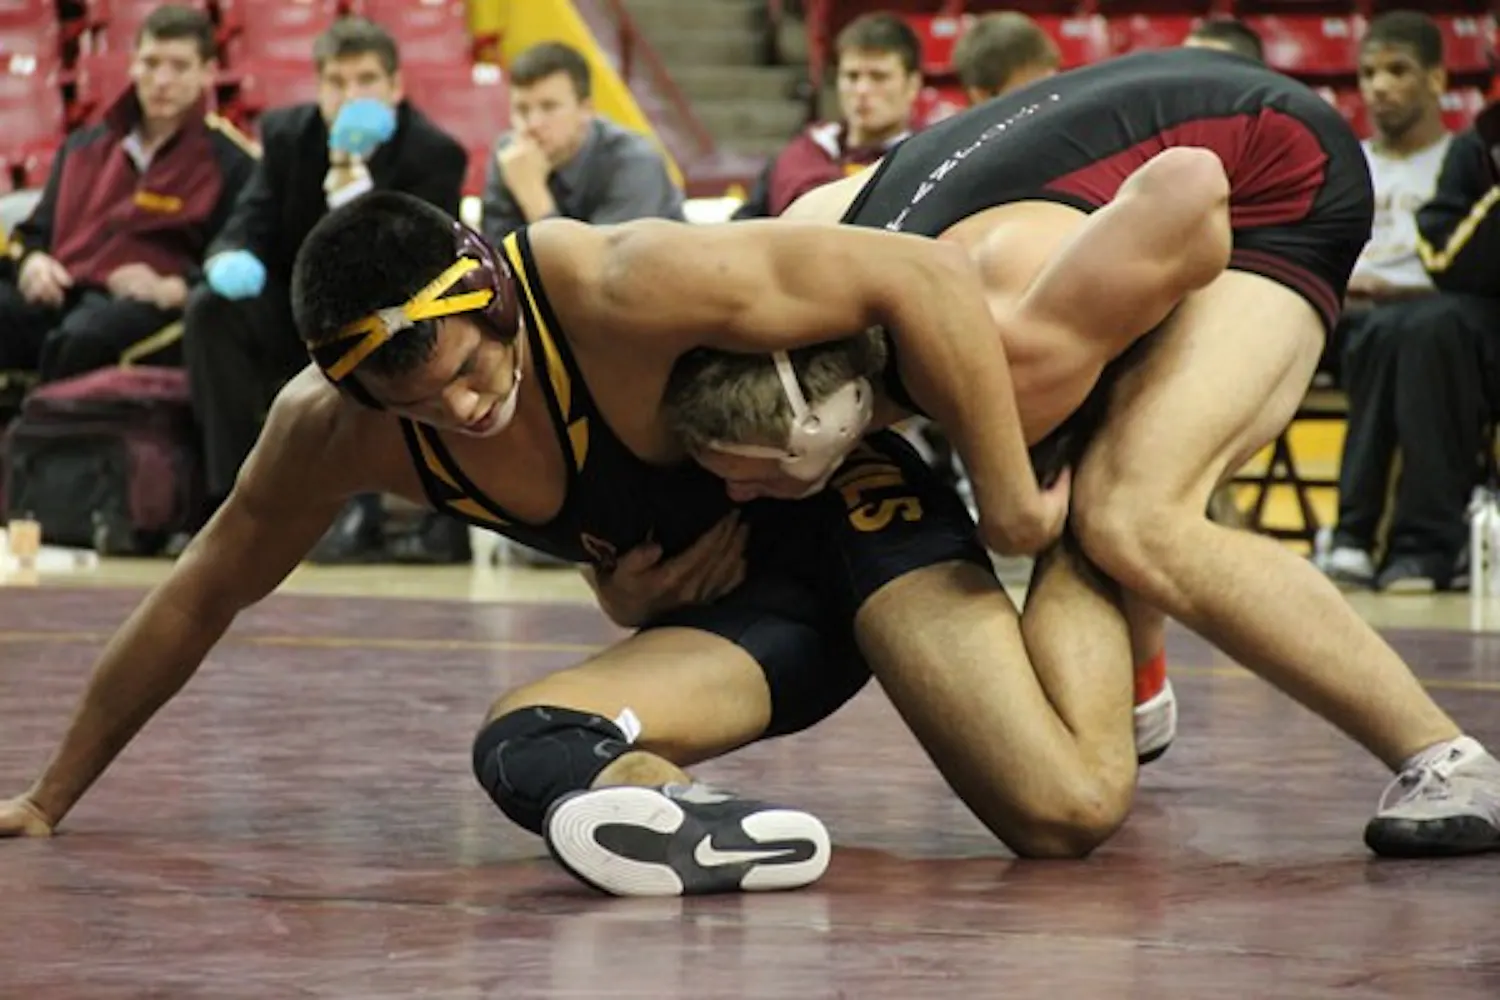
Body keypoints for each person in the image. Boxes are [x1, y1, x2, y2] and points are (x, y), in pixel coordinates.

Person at [0, 188, 1088, 897]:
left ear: (489, 288)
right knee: (525, 742)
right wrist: (53, 792)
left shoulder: (616, 282)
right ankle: (692, 818)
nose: (466, 409)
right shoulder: (333, 433)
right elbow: (200, 593)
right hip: (751, 623)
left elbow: (921, 274)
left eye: (471, 369)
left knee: (1061, 813)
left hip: (853, 516)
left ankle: (1102, 572)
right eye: (421, 408)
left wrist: (1012, 502)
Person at [666, 46, 1500, 858]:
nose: (738, 497)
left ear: (835, 428)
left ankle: (1449, 760)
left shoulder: (1012, 338)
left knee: (1132, 513)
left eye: (755, 480)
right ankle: (1140, 670)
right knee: (1094, 458)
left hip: (1272, 176)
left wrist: (1018, 497)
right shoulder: (812, 239)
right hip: (1122, 126)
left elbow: (1192, 185)